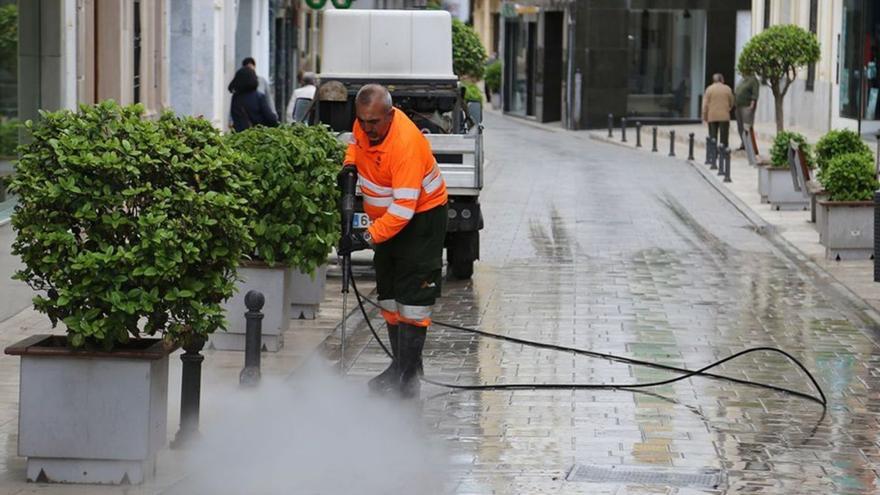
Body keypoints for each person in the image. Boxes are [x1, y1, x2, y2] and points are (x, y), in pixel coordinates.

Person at [337, 84, 448, 400]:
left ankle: (407, 376)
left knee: (413, 298)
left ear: (390, 114)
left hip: (421, 220)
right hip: (386, 219)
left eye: (374, 122)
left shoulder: (406, 144)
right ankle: (400, 364)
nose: (367, 128)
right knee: (389, 294)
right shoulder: (363, 125)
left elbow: (404, 208)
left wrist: (365, 237)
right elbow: (356, 145)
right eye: (363, 120)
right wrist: (349, 165)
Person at [228, 67, 279, 132]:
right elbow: (270, 118)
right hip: (258, 135)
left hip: (240, 137)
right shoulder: (258, 96)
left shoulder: (235, 97)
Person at [702, 73, 735, 148]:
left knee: (713, 136)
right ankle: (724, 152)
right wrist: (729, 108)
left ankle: (713, 153)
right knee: (724, 136)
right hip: (724, 116)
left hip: (712, 116)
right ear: (721, 80)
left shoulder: (709, 89)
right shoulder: (727, 88)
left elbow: (705, 105)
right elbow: (732, 101)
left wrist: (704, 116)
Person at [735, 71, 760, 150]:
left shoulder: (753, 80)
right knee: (740, 127)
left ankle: (749, 145)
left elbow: (755, 93)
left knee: (747, 126)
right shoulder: (742, 80)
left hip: (747, 106)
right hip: (738, 106)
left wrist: (752, 104)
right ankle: (743, 143)